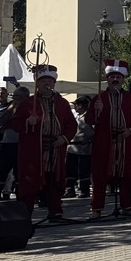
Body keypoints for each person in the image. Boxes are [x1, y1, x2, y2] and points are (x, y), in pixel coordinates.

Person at [11, 66, 76, 222]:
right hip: (34, 149)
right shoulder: (28, 103)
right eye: (43, 81)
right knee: (31, 180)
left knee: (55, 180)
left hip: (55, 148)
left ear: (54, 83)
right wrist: (27, 122)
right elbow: (14, 123)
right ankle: (26, 214)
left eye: (50, 81)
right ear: (37, 84)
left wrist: (64, 139)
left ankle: (55, 212)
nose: (47, 83)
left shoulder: (62, 103)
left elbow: (72, 125)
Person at [86, 59, 131, 219]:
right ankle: (96, 208)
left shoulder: (130, 98)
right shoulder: (99, 98)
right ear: (108, 78)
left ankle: (127, 206)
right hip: (104, 142)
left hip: (124, 141)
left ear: (123, 79)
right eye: (112, 77)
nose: (115, 79)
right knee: (100, 175)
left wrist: (130, 131)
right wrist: (96, 110)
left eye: (118, 77)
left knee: (125, 176)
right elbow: (89, 120)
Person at [64, 95, 93, 201]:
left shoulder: (89, 117)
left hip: (84, 148)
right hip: (72, 147)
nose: (75, 107)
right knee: (70, 170)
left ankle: (84, 190)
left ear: (80, 106)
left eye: (76, 105)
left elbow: (95, 132)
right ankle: (70, 189)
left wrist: (89, 139)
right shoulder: (75, 116)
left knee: (83, 170)